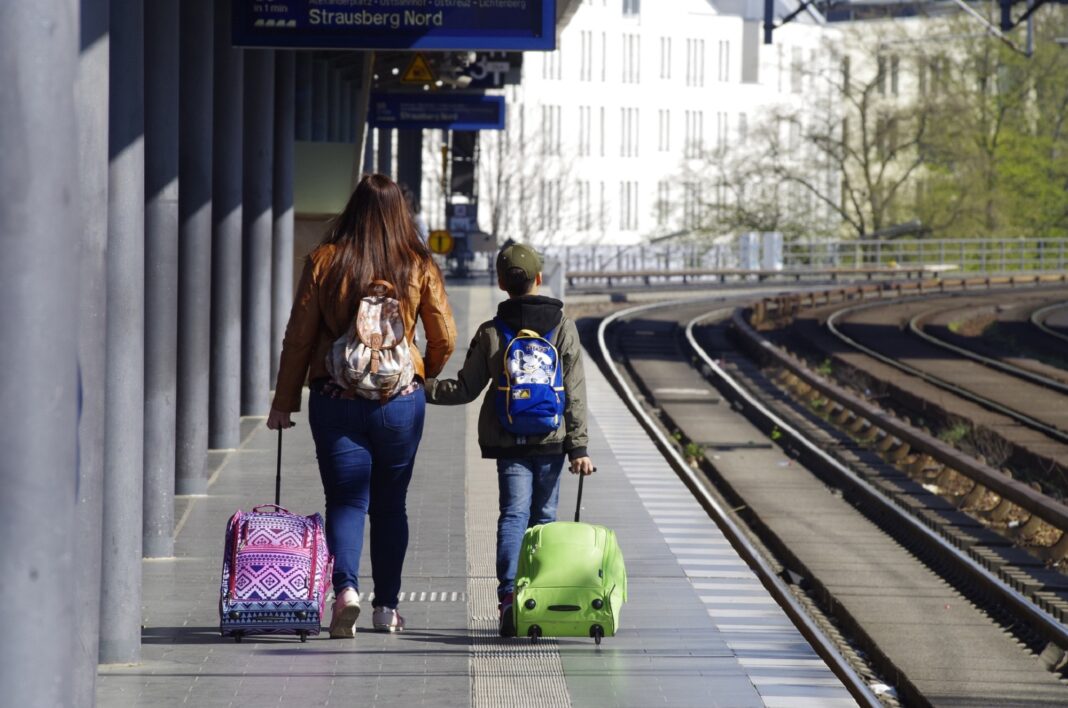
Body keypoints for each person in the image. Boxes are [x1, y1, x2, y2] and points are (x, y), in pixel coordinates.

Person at [267, 173, 456, 638]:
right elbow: (445, 336)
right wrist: (419, 370)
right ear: (400, 214)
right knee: (392, 506)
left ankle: (346, 593)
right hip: (399, 404)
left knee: (346, 501)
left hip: (336, 399)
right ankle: (386, 608)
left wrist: (284, 402)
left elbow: (299, 337)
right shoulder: (416, 262)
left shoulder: (325, 260)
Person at [424, 243, 593, 637]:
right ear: (538, 278)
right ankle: (541, 596)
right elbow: (575, 390)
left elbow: (465, 388)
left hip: (509, 438)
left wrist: (421, 387)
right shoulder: (563, 325)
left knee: (513, 515)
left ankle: (507, 598)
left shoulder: (491, 330)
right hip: (552, 439)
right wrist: (579, 446)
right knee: (544, 520)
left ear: (501, 283)